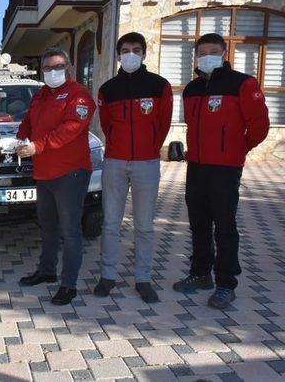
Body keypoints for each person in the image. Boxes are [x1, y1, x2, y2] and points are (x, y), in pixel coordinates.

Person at [173, 33, 269, 309]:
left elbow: (260, 126)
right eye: (201, 52)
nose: (206, 56)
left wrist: (238, 149)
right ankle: (201, 274)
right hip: (197, 167)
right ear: (196, 56)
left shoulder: (242, 83)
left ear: (224, 53)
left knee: (225, 227)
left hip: (226, 169)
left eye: (213, 51)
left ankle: (226, 283)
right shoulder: (191, 89)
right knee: (199, 223)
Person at [93, 32, 173, 303]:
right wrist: (117, 146)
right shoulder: (107, 89)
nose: (130, 54)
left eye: (136, 50)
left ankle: (143, 279)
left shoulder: (160, 86)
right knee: (111, 224)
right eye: (125, 50)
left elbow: (162, 125)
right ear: (117, 55)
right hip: (115, 162)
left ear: (144, 53)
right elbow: (106, 125)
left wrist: (149, 148)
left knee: (144, 226)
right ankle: (107, 276)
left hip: (146, 164)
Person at [16, 47, 95, 306]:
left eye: (57, 66)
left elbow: (70, 129)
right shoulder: (39, 96)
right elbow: (28, 122)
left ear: (68, 68)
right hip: (44, 172)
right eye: (47, 68)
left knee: (70, 231)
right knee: (47, 226)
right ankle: (47, 270)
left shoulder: (79, 96)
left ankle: (68, 284)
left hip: (70, 172)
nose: (52, 71)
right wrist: (17, 140)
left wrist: (37, 146)